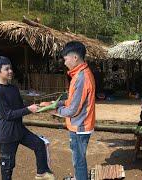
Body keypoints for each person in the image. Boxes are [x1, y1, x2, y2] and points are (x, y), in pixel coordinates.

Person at [0, 56, 55, 180]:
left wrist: (38, 106)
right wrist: (28, 110)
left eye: (10, 68)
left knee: (39, 144)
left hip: (19, 130)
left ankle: (41, 173)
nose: (10, 71)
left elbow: (20, 107)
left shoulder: (13, 88)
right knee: (7, 166)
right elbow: (7, 115)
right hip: (6, 134)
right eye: (6, 69)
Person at [41, 41, 96, 180]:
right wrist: (54, 104)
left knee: (79, 161)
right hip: (78, 124)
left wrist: (54, 111)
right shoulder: (79, 74)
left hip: (80, 126)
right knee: (78, 159)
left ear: (75, 58)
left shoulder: (82, 77)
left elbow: (72, 110)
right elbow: (72, 101)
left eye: (65, 59)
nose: (64, 63)